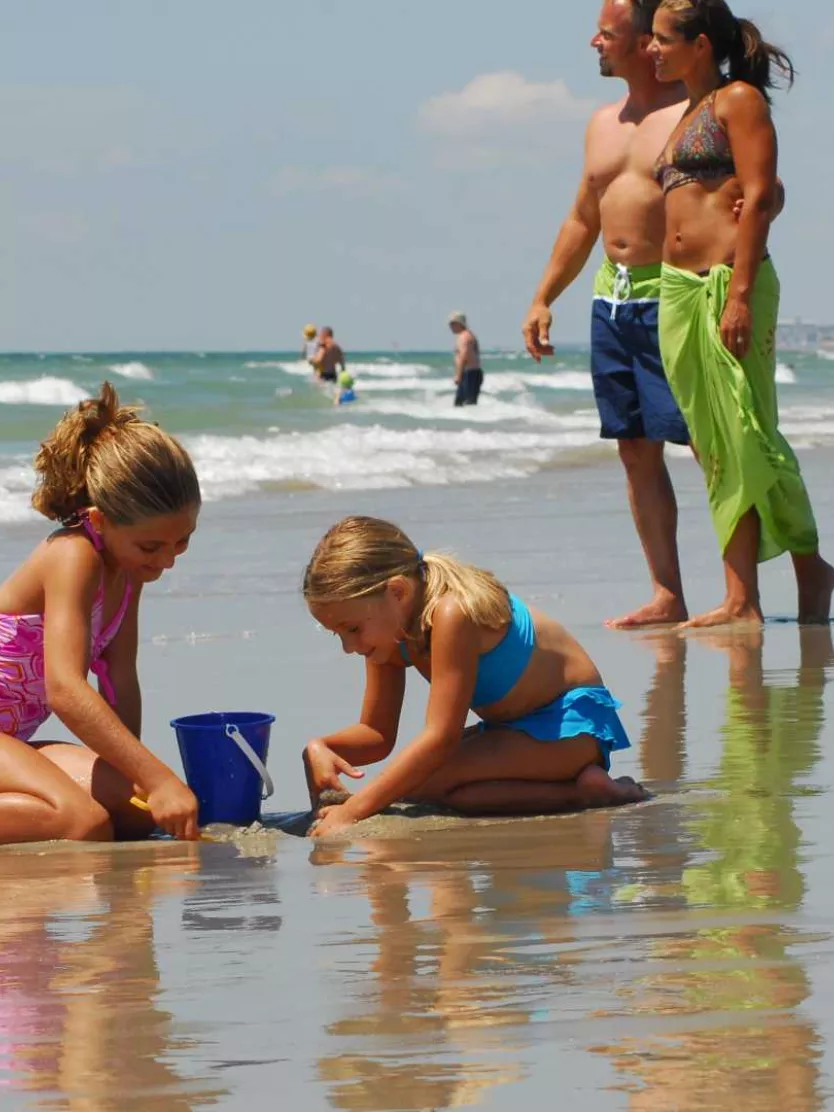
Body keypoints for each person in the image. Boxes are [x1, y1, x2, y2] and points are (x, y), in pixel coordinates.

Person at [651, 0, 834, 627]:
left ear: (700, 44)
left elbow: (759, 196)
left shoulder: (738, 101)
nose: (653, 50)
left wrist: (739, 293)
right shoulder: (684, 114)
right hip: (676, 292)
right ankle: (743, 597)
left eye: (662, 39)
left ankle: (805, 568)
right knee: (714, 445)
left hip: (729, 282)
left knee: (750, 432)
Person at [301, 516, 648, 838]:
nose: (349, 646)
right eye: (338, 634)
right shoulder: (388, 633)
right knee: (439, 789)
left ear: (398, 592)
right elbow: (376, 734)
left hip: (569, 727)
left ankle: (584, 789)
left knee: (420, 783)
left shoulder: (451, 613)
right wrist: (323, 747)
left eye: (353, 629)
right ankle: (581, 790)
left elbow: (441, 737)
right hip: (511, 732)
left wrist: (351, 813)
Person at [522, 1, 696, 630]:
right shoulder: (601, 123)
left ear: (646, 41)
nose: (592, 40)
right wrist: (544, 296)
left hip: (676, 296)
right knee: (634, 450)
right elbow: (583, 217)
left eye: (607, 31)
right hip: (612, 300)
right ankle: (667, 592)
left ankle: (745, 590)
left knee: (710, 446)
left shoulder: (693, 110)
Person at [0, 382, 201, 845]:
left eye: (182, 541)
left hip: (11, 742)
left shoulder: (129, 573)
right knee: (83, 823)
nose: (167, 560)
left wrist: (139, 776)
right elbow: (66, 690)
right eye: (152, 546)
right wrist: (161, 779)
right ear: (99, 521)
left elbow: (120, 678)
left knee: (136, 813)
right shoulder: (73, 556)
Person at [448, 312, 484, 407]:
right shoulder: (470, 335)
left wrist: (459, 375)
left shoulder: (464, 337)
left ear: (459, 324)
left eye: (452, 324)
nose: (450, 327)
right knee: (468, 404)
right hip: (473, 373)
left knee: (461, 405)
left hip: (469, 374)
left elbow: (464, 355)